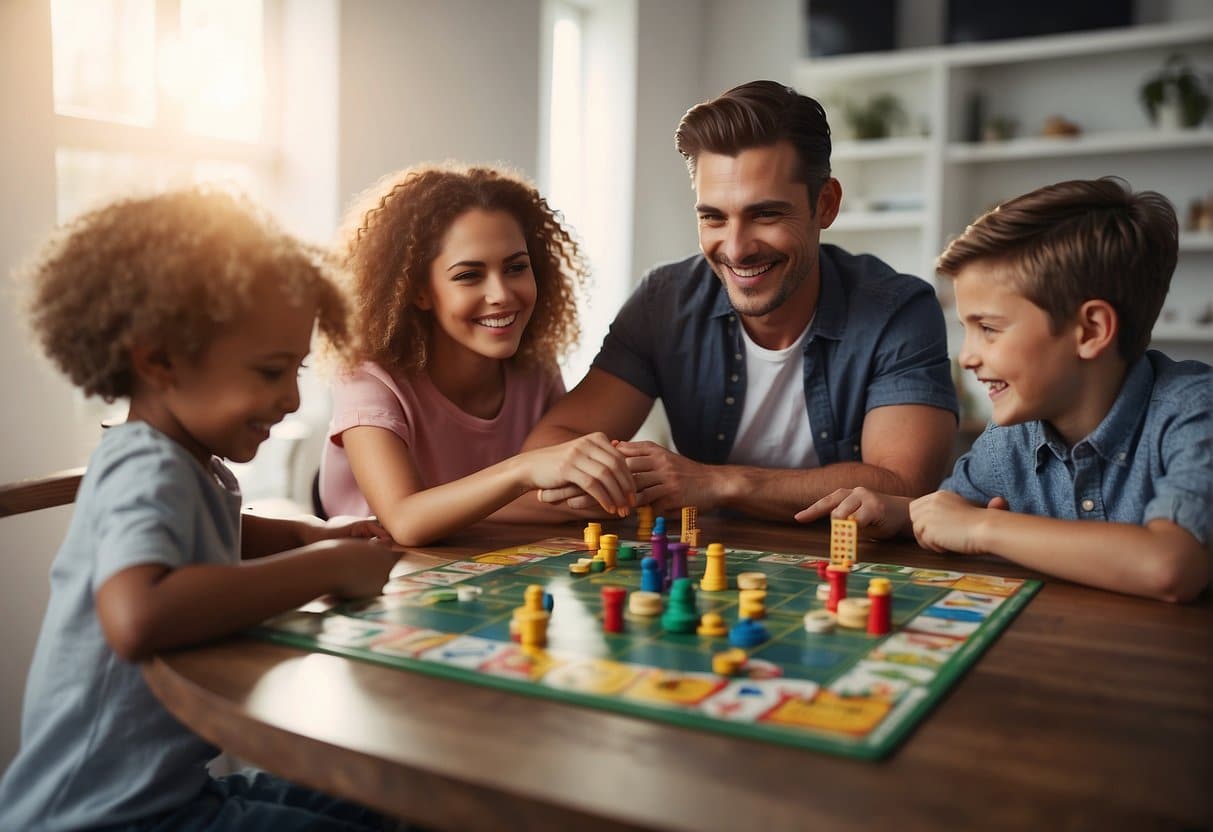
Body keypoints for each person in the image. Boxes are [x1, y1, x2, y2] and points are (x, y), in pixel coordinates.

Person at [0, 187, 402, 831]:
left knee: (385, 805)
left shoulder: (181, 462)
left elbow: (215, 532)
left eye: (297, 370)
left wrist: (304, 534)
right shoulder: (145, 464)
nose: (293, 399)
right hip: (100, 820)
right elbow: (139, 614)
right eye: (272, 372)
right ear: (159, 360)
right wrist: (326, 566)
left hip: (172, 796)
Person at [524, 80, 957, 520]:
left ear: (825, 205)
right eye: (713, 217)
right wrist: (606, 471)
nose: (736, 248)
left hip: (853, 573)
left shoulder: (898, 310)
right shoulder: (663, 302)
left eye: (765, 214)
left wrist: (716, 483)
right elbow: (550, 447)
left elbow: (904, 483)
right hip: (708, 567)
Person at [797, 178, 1212, 603]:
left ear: (1090, 330)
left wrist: (985, 529)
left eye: (989, 329)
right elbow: (951, 512)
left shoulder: (1193, 412)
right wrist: (896, 511)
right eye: (966, 329)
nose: (967, 357)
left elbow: (1171, 566)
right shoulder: (1011, 439)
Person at [318, 163, 634, 546]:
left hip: (489, 566)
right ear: (418, 290)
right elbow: (405, 520)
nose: (501, 293)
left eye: (516, 267)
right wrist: (526, 470)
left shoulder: (534, 367)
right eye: (469, 275)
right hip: (377, 581)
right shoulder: (368, 377)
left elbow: (554, 500)